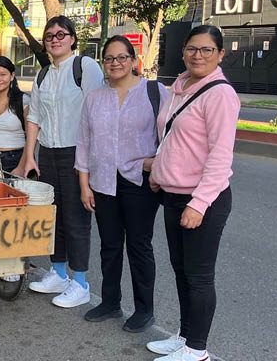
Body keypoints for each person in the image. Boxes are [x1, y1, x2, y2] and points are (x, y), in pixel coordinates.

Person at [145, 25, 238, 361]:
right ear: (184, 51)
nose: (198, 55)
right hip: (173, 193)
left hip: (203, 199)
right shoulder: (180, 85)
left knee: (199, 275)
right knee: (181, 269)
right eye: (192, 49)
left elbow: (219, 155)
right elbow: (172, 139)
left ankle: (198, 350)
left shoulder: (221, 94)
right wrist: (158, 171)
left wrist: (198, 204)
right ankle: (186, 336)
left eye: (207, 50)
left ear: (220, 54)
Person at [75, 35, 169, 333]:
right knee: (110, 246)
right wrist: (84, 184)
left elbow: (172, 133)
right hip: (102, 181)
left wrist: (157, 162)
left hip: (139, 181)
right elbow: (84, 141)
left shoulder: (155, 92)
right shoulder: (94, 97)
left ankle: (144, 309)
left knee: (139, 246)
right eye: (109, 58)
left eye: (121, 57)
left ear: (133, 60)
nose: (115, 63)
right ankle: (110, 301)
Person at [22, 15, 105, 308]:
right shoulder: (43, 74)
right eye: (49, 36)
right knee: (53, 215)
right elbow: (34, 118)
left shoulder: (85, 67)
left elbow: (96, 113)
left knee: (76, 218)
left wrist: (89, 162)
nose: (55, 39)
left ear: (72, 38)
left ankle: (80, 281)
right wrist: (30, 156)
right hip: (48, 152)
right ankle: (57, 272)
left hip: (76, 153)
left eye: (61, 34)